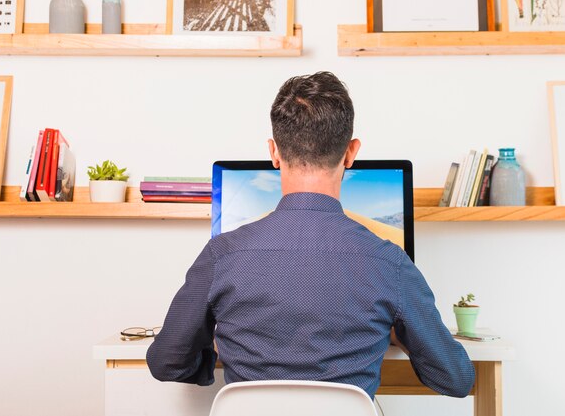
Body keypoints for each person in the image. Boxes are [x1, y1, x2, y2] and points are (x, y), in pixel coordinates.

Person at [146, 71, 475, 398]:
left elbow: (165, 362)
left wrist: (213, 355)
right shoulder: (389, 263)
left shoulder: (221, 255)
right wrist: (400, 332)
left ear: (274, 152)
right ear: (351, 152)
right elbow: (456, 379)